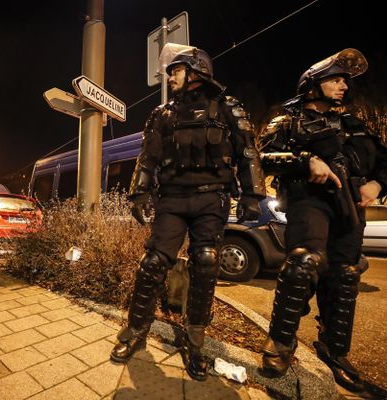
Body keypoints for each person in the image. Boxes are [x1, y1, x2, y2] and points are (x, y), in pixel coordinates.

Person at [110, 46, 266, 381]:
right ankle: (135, 331)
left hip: (212, 200)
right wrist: (139, 193)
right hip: (173, 200)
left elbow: (247, 152)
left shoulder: (227, 107)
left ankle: (195, 340)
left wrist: (254, 194)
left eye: (175, 70)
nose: (169, 76)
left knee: (207, 261)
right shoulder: (162, 114)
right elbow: (147, 158)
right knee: (152, 263)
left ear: (195, 71)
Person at [257, 49, 387, 391]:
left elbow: (383, 163)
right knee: (303, 263)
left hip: (351, 207)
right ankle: (280, 344)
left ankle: (334, 350)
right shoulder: (287, 119)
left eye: (345, 80)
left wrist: (377, 183)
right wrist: (305, 161)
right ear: (313, 83)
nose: (343, 85)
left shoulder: (354, 125)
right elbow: (260, 158)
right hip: (309, 202)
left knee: (345, 276)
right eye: (335, 79)